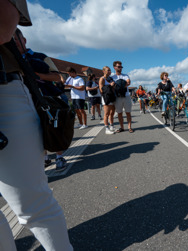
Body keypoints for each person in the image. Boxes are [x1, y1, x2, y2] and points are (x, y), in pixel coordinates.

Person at [0, 0, 73, 250]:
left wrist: (39, 75)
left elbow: (3, 21)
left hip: (9, 90)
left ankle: (58, 156)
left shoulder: (39, 58)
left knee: (31, 203)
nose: (25, 42)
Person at [13, 28, 69, 171]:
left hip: (46, 99)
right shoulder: (10, 60)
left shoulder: (41, 56)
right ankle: (44, 158)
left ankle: (59, 157)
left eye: (15, 39)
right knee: (36, 130)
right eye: (10, 40)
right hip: (24, 100)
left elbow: (57, 77)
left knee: (53, 127)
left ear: (23, 40)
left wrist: (36, 75)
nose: (13, 43)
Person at [110, 61, 133, 133]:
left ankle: (129, 127)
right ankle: (122, 127)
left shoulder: (125, 75)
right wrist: (121, 84)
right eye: (119, 67)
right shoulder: (112, 77)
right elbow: (111, 86)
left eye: (121, 67)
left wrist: (117, 85)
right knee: (119, 113)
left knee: (128, 112)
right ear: (114, 67)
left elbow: (128, 83)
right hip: (117, 97)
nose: (120, 68)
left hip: (126, 95)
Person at [99, 66, 116, 135]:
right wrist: (110, 85)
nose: (110, 71)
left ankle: (112, 126)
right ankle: (107, 128)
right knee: (106, 114)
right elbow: (101, 90)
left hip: (112, 97)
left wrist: (113, 86)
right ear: (104, 71)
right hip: (106, 97)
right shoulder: (102, 79)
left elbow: (113, 88)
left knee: (112, 113)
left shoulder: (110, 78)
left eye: (110, 70)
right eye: (108, 70)